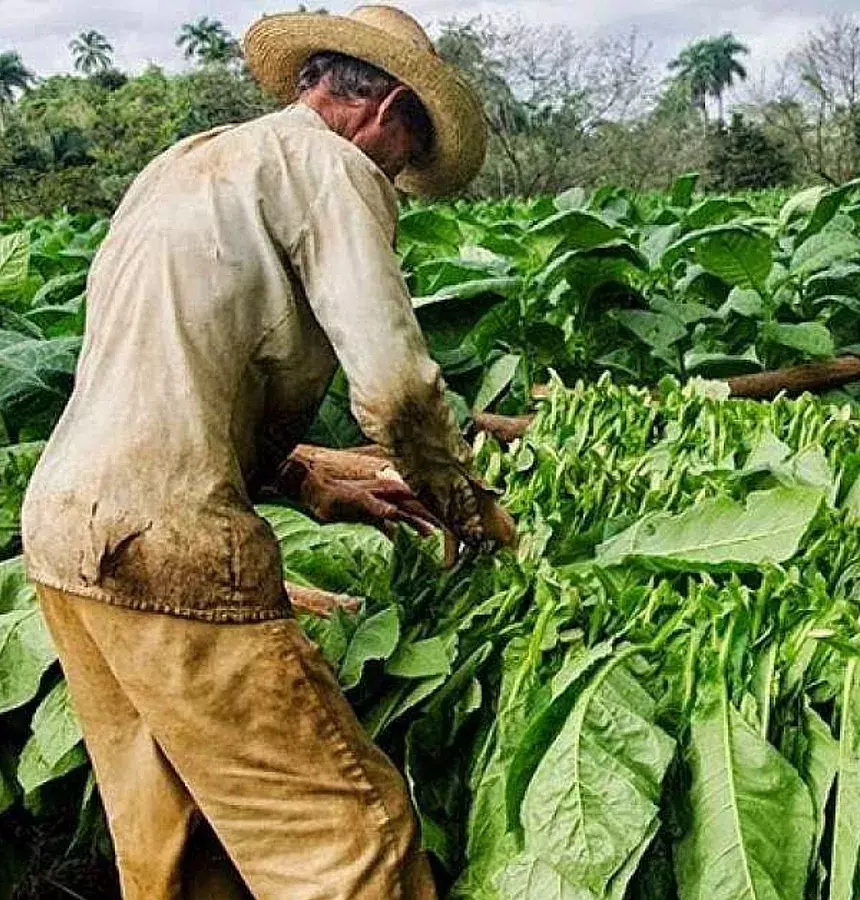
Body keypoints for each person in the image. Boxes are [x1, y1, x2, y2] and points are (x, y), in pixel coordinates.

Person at [18, 6, 509, 897]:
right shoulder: (332, 165)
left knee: (176, 847)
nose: (399, 172)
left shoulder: (186, 164)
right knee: (354, 841)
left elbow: (163, 377)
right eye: (410, 147)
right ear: (388, 106)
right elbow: (396, 386)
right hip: (171, 547)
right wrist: (462, 500)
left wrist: (307, 477)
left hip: (64, 541)